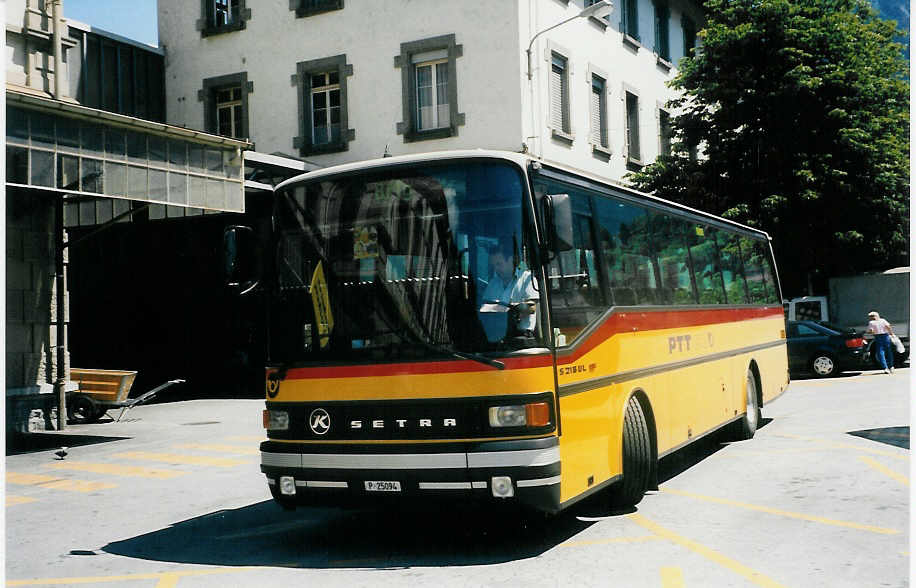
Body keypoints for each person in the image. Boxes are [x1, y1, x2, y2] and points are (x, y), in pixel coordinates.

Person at [480, 236, 538, 339]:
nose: (496, 269)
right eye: (494, 266)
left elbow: (531, 307)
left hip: (521, 336)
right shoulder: (493, 283)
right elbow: (484, 307)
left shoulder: (527, 279)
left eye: (499, 264)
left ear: (511, 260)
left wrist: (510, 309)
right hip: (497, 335)